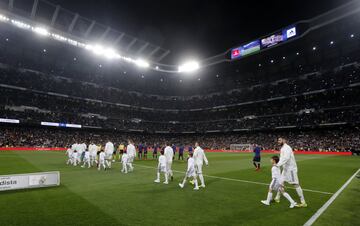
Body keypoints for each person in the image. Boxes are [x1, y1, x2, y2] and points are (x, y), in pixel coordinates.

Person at [274, 138, 307, 207]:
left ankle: (303, 202)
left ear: (284, 141)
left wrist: (277, 164)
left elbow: (286, 158)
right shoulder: (282, 148)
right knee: (281, 182)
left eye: (280, 140)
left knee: (295, 184)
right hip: (285, 169)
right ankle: (277, 198)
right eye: (278, 140)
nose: (278, 141)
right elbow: (283, 158)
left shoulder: (287, 148)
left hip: (290, 169)